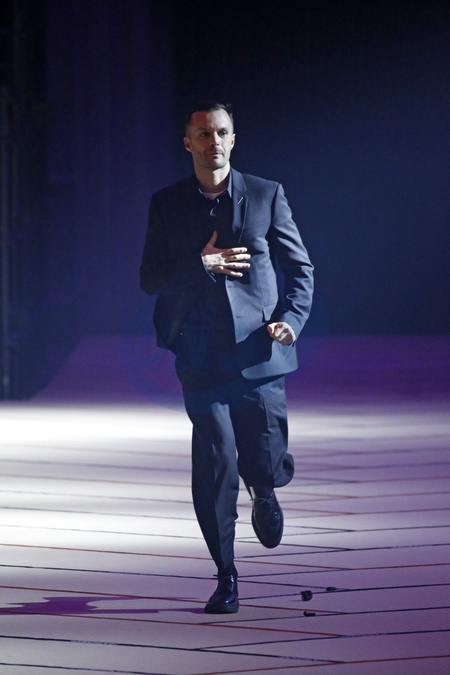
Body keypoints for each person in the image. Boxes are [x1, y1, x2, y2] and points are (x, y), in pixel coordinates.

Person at [140, 101, 313, 614]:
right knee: (215, 462)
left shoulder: (265, 194)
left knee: (263, 454)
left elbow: (300, 269)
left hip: (259, 349)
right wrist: (201, 264)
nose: (212, 141)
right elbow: (149, 279)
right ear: (187, 143)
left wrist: (291, 320)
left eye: (221, 132)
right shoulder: (166, 204)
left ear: (232, 140)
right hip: (200, 351)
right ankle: (226, 574)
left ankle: (265, 487)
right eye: (202, 133)